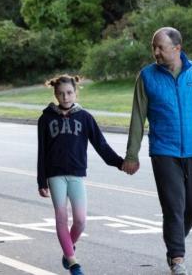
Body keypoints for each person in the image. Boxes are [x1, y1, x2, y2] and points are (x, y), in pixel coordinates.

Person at [122, 27, 192, 275]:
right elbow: (138, 118)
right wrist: (132, 154)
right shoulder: (147, 77)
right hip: (164, 151)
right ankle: (177, 258)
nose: (156, 52)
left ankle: (174, 242)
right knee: (173, 206)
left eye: (160, 47)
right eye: (154, 47)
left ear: (177, 48)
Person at [37, 74, 123, 275]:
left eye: (69, 93)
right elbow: (42, 151)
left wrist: (120, 163)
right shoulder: (46, 119)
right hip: (55, 174)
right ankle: (73, 263)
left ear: (75, 92)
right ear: (55, 95)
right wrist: (42, 180)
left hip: (76, 174)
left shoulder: (85, 118)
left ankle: (68, 249)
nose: (65, 97)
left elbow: (101, 145)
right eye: (61, 94)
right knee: (61, 217)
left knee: (81, 220)